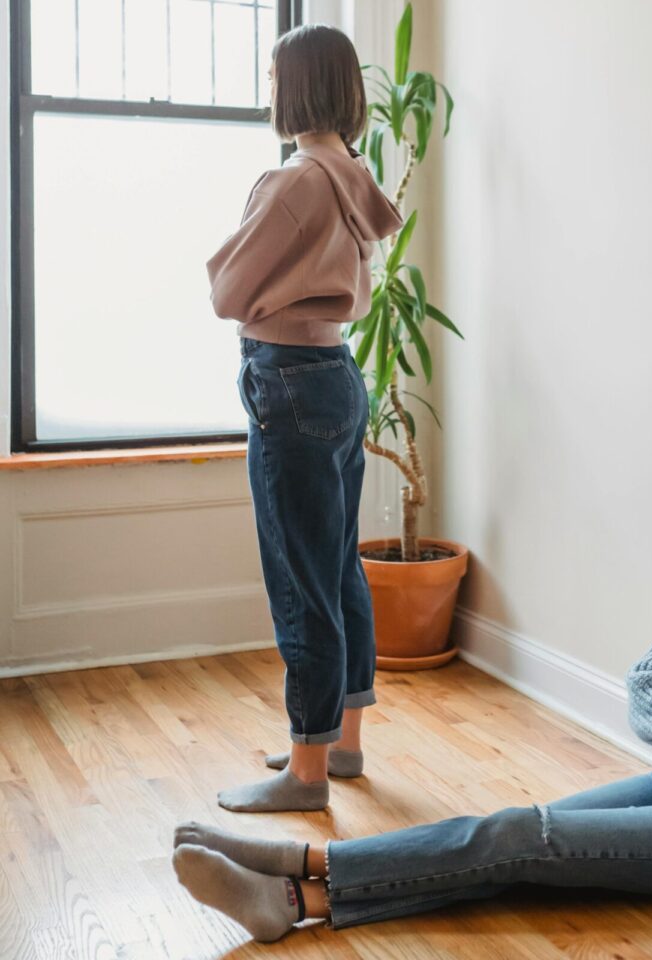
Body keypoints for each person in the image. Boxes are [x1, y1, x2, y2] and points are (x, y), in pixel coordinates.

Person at [173, 420, 652, 939]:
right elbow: (644, 688)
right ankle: (293, 877)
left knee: (518, 844)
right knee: (508, 836)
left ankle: (297, 884)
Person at [206, 24, 403, 814]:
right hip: (334, 374)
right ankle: (342, 743)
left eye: (271, 75)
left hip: (286, 377)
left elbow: (226, 293)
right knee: (336, 566)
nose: (266, 88)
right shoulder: (350, 171)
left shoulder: (293, 181)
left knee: (300, 582)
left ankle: (306, 775)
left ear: (297, 86)